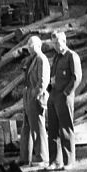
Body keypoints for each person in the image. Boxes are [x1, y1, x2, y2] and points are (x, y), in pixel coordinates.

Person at [46, 29, 83, 168]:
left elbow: (76, 77)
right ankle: (54, 161)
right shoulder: (56, 58)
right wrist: (50, 90)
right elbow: (53, 76)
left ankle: (69, 161)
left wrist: (66, 93)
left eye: (57, 43)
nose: (55, 45)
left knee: (66, 129)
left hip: (64, 97)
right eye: (53, 43)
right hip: (53, 96)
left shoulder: (71, 56)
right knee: (53, 130)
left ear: (64, 41)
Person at [19, 33, 52, 164]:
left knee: (38, 127)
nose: (30, 48)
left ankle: (42, 157)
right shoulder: (32, 59)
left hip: (36, 97)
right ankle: (24, 158)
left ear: (38, 46)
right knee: (26, 128)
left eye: (32, 45)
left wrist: (35, 94)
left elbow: (43, 81)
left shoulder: (41, 59)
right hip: (28, 95)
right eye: (29, 45)